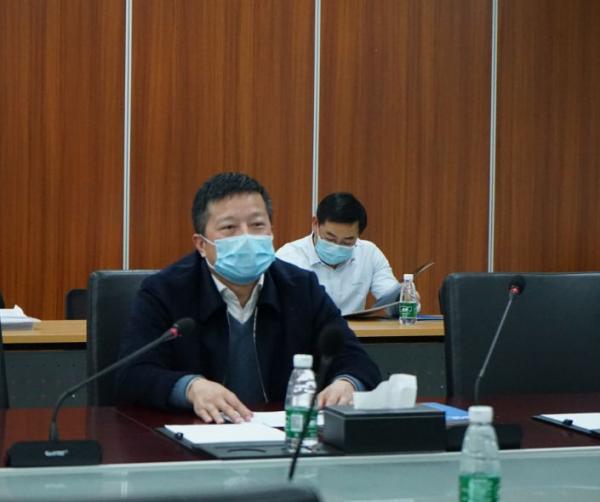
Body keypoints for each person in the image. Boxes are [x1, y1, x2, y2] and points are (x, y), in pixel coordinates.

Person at [117, 173, 381, 423]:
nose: (246, 237)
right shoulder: (165, 291)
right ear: (201, 244)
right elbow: (132, 374)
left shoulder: (301, 288)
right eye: (229, 227)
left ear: (271, 232)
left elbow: (357, 361)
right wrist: (190, 388)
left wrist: (347, 383)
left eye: (257, 225)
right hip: (194, 435)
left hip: (284, 436)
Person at [277, 192, 413, 316]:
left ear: (358, 235)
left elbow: (391, 300)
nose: (337, 246)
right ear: (315, 224)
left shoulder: (369, 254)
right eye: (330, 238)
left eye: (347, 241)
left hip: (354, 334)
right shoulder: (288, 258)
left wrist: (406, 299)